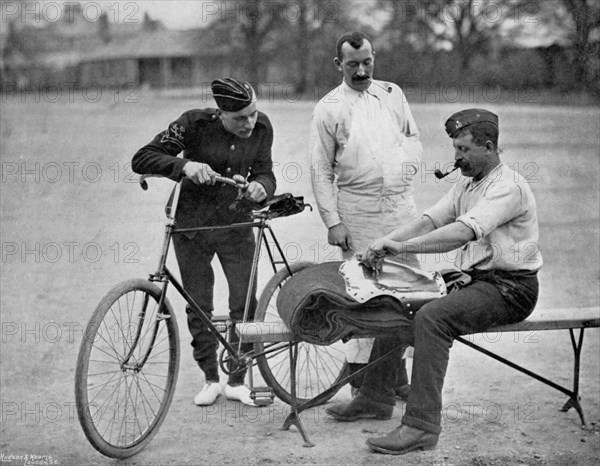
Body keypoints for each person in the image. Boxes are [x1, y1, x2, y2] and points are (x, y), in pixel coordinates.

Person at [326, 108, 542, 455]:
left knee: (432, 318)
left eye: (463, 149)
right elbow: (430, 220)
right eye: (455, 148)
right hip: (479, 282)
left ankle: (421, 427)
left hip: (511, 289)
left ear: (489, 147)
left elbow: (459, 233)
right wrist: (386, 243)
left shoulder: (508, 187)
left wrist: (401, 247)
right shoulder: (468, 184)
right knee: (402, 301)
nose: (456, 156)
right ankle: (375, 397)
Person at [132, 78, 276, 406]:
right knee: (199, 304)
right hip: (192, 228)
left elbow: (266, 172)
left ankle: (237, 379)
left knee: (244, 301)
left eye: (252, 113)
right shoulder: (192, 124)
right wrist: (185, 166)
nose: (249, 123)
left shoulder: (263, 127)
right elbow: (142, 158)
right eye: (240, 118)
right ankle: (210, 378)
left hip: (236, 224)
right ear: (220, 114)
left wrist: (261, 188)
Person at [310, 31, 423, 397]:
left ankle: (399, 379)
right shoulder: (328, 107)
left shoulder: (393, 93)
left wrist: (405, 170)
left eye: (367, 62)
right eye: (352, 64)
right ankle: (364, 386)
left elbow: (412, 138)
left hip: (400, 208)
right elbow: (321, 170)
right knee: (364, 296)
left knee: (408, 290)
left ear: (374, 58)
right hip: (357, 210)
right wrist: (333, 221)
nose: (361, 71)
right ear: (338, 64)